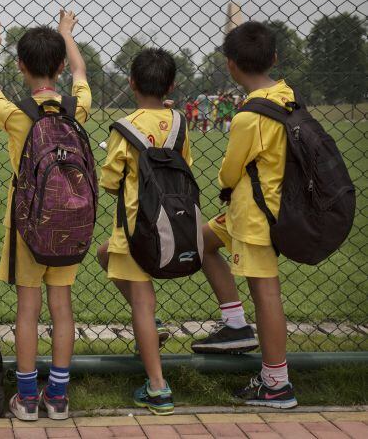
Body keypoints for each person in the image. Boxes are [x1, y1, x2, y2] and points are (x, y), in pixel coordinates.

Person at [0, 10, 90, 421]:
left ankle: (27, 398)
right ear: (60, 65)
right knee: (61, 306)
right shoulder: (76, 108)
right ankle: (58, 397)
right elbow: (81, 71)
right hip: (69, 221)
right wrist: (67, 34)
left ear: (21, 66)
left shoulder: (15, 114)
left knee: (27, 309)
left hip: (26, 224)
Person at [191, 21, 297, 409]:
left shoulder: (248, 116)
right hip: (256, 207)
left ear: (231, 65)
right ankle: (235, 323)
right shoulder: (285, 93)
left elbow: (229, 172)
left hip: (257, 215)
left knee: (266, 293)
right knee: (200, 241)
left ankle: (276, 384)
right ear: (274, 58)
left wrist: (225, 178)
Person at [96, 48, 190, 416]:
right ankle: (152, 325)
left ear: (131, 82)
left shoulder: (124, 127)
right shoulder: (179, 122)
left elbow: (109, 182)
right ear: (171, 85)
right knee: (104, 254)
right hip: (173, 222)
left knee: (141, 303)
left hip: (135, 227)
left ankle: (157, 387)